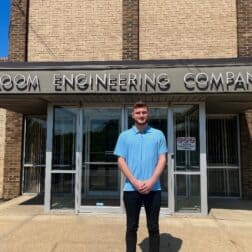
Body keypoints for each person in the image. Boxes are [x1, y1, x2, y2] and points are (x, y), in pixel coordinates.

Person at [114, 101, 168, 252]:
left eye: (144, 112)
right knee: (131, 227)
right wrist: (135, 181)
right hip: (131, 189)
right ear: (133, 115)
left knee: (153, 227)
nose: (141, 115)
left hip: (154, 189)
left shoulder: (158, 135)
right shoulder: (124, 136)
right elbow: (121, 160)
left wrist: (151, 181)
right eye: (138, 113)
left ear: (148, 114)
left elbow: (162, 159)